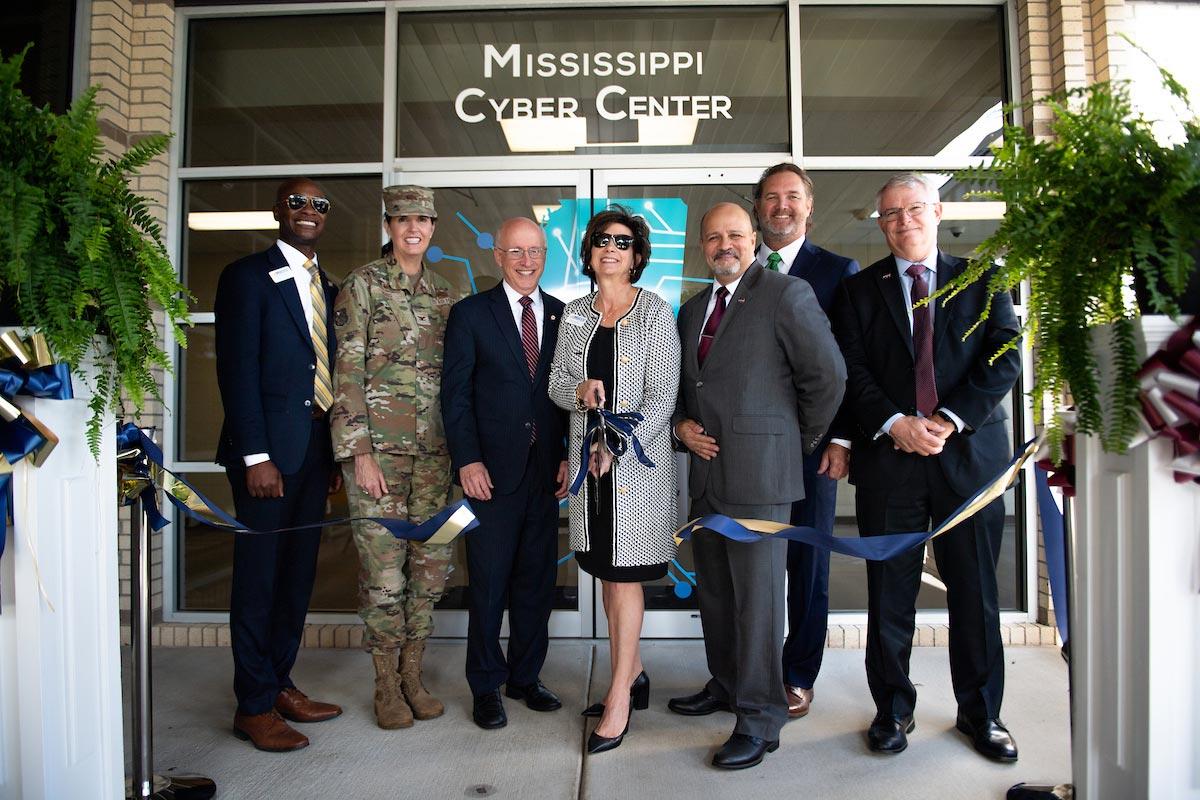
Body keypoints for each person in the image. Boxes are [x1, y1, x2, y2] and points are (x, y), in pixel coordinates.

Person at [828, 172, 1021, 761]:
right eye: (889, 214)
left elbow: (1005, 354)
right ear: (880, 224)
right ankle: (892, 711)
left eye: (912, 209)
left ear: (937, 212)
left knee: (976, 592)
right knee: (889, 593)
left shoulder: (984, 278)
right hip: (891, 463)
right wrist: (896, 424)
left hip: (969, 461)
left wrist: (950, 419)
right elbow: (850, 371)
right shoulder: (859, 292)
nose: (902, 221)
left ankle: (982, 715)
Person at [669, 202, 846, 770]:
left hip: (762, 482)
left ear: (754, 240)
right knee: (717, 596)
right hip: (708, 479)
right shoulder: (692, 308)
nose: (725, 244)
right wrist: (681, 427)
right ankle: (725, 684)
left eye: (735, 235)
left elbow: (828, 377)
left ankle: (761, 718)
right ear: (703, 245)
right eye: (714, 236)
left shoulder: (785, 293)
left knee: (761, 606)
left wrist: (793, 442)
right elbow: (687, 388)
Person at [214, 177, 344, 752]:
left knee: (297, 579)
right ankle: (252, 705)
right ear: (277, 211)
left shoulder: (330, 286)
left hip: (315, 454)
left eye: (319, 205)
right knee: (259, 582)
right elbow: (235, 372)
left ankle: (280, 682)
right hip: (267, 458)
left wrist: (335, 455)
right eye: (298, 202)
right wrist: (256, 456)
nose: (308, 211)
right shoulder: (246, 278)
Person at [547, 207, 681, 755]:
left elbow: (663, 396)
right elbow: (557, 383)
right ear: (588, 252)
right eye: (601, 240)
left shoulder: (654, 312)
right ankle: (638, 671)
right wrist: (577, 394)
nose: (611, 249)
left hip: (635, 471)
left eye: (622, 243)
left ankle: (620, 695)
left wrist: (613, 444)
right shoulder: (576, 313)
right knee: (605, 574)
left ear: (638, 255)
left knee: (625, 578)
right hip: (589, 472)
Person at [330, 186, 463, 730]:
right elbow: (346, 372)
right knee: (384, 575)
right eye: (404, 219)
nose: (414, 228)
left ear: (433, 228)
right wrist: (358, 450)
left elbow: (456, 380)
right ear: (389, 224)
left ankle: (414, 675)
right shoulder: (361, 286)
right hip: (377, 459)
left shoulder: (445, 294)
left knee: (430, 570)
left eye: (423, 220)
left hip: (434, 456)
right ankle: (386, 685)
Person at [440, 217, 570, 731]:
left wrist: (565, 454)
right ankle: (486, 685)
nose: (526, 261)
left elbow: (565, 399)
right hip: (489, 475)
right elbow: (456, 396)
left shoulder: (564, 316)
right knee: (490, 586)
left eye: (535, 251)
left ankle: (525, 677)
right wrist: (467, 460)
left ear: (545, 255)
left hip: (543, 474)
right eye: (515, 251)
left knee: (536, 585)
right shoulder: (471, 314)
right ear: (497, 256)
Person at [751, 162, 859, 720]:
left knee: (807, 565)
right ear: (758, 208)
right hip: (752, 451)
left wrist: (839, 438)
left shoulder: (839, 273)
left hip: (816, 449)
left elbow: (850, 363)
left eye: (792, 197)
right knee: (754, 561)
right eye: (771, 198)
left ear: (809, 207)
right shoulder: (741, 272)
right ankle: (752, 668)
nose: (781, 207)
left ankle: (798, 673)